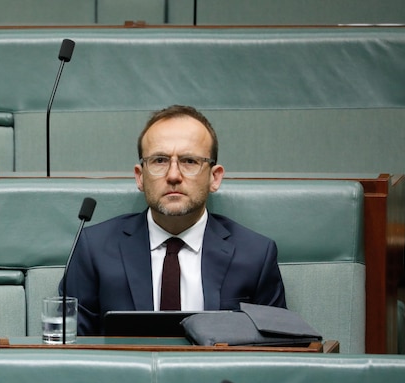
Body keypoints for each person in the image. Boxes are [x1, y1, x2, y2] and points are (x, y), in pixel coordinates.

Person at [63, 104, 286, 335]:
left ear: (214, 177)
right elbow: (70, 345)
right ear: (140, 177)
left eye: (189, 161)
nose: (173, 175)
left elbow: (275, 350)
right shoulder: (95, 249)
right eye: (159, 160)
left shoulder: (256, 255)